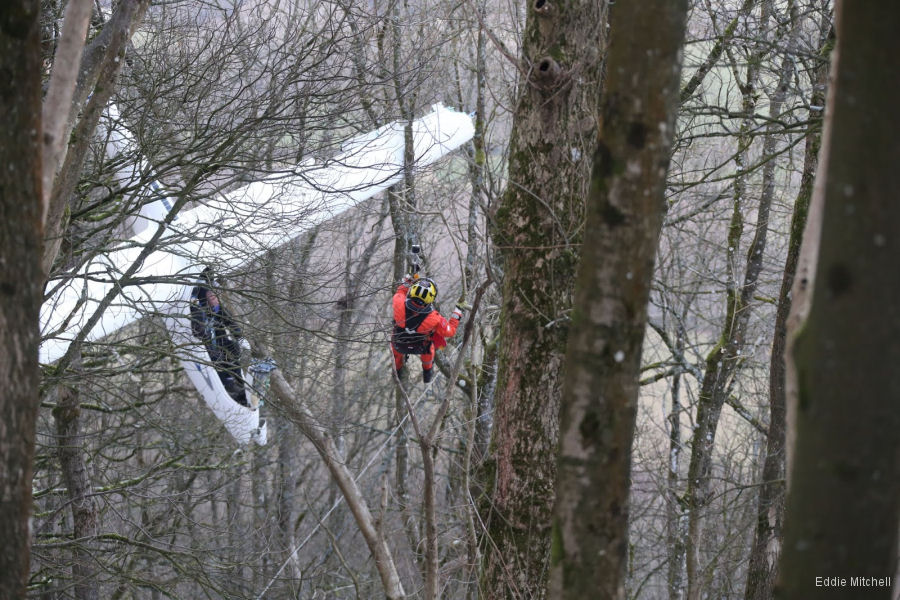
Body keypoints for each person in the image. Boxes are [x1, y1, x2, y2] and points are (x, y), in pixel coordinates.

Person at [391, 275, 464, 384]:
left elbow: (401, 290)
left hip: (399, 344)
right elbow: (451, 331)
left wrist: (410, 278)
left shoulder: (398, 302)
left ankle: (397, 371)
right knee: (429, 349)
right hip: (420, 347)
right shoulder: (435, 318)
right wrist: (457, 313)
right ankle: (427, 371)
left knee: (396, 353)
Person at [190, 286, 249, 406]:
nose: (215, 299)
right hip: (206, 348)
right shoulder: (198, 311)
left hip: (220, 342)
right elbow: (198, 332)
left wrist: (240, 337)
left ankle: (240, 382)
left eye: (215, 296)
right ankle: (227, 385)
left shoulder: (218, 309)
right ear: (205, 300)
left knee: (233, 348)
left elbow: (230, 322)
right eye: (211, 297)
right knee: (216, 357)